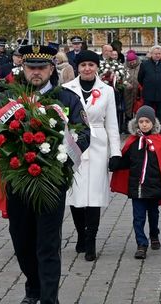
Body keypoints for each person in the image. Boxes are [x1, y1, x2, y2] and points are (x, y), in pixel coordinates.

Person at [7, 44, 90, 304]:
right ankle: (33, 287)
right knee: (21, 242)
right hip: (18, 182)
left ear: (51, 69)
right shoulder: (10, 99)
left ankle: (48, 298)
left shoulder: (66, 98)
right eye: (31, 67)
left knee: (47, 244)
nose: (36, 72)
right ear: (23, 69)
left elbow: (85, 134)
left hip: (51, 182)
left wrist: (62, 152)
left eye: (41, 68)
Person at [62, 50, 121, 261]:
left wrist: (116, 152)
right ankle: (81, 233)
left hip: (98, 145)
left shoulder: (106, 91)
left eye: (91, 65)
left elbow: (112, 123)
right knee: (75, 194)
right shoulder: (67, 89)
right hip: (74, 144)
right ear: (77, 67)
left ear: (97, 67)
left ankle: (91, 241)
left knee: (94, 195)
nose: (87, 68)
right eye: (83, 64)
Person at [110, 105, 161, 259]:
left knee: (153, 214)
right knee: (138, 217)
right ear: (137, 123)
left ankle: (154, 234)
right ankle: (141, 244)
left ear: (153, 123)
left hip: (154, 187)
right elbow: (126, 162)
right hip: (137, 188)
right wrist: (115, 162)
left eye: (147, 121)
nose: (144, 124)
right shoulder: (133, 142)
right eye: (141, 121)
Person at [137, 45, 161, 126]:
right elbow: (140, 78)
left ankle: (158, 132)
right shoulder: (144, 64)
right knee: (148, 114)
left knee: (160, 114)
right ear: (151, 54)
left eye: (159, 54)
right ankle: (148, 131)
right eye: (155, 53)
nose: (157, 55)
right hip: (148, 94)